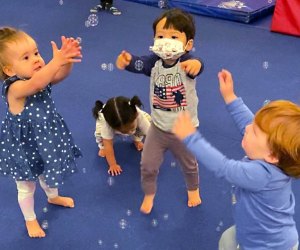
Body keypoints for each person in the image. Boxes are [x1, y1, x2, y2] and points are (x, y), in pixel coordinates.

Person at [172, 69, 300, 250]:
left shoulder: (261, 175)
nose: (248, 128)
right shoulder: (271, 157)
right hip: (257, 233)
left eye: (254, 131)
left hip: (268, 246)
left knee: (228, 241)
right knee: (227, 239)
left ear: (271, 155)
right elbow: (247, 123)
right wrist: (230, 97)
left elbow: (224, 167)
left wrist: (191, 138)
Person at [116, 8, 204, 214]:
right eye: (160, 36)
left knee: (189, 164)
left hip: (184, 129)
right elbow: (139, 64)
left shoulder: (186, 62)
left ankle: (193, 189)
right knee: (147, 165)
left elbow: (199, 65)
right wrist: (127, 61)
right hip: (158, 127)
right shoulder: (153, 62)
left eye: (173, 37)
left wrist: (196, 64)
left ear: (187, 44)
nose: (166, 41)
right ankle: (149, 193)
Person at [0, 27, 82, 238]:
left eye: (36, 53)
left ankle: (52, 196)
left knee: (48, 171)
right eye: (26, 57)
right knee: (27, 184)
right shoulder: (15, 88)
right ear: (9, 70)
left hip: (46, 138)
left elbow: (59, 75)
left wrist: (66, 61)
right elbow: (37, 84)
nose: (36, 59)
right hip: (24, 145)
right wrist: (56, 61)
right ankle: (30, 220)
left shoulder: (40, 76)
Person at [92, 95, 151, 176]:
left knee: (148, 121)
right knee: (100, 135)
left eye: (131, 128)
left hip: (129, 120)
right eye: (124, 131)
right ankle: (102, 146)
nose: (129, 132)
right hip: (107, 119)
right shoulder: (107, 125)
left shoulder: (138, 114)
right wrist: (112, 165)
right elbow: (108, 144)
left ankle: (137, 140)